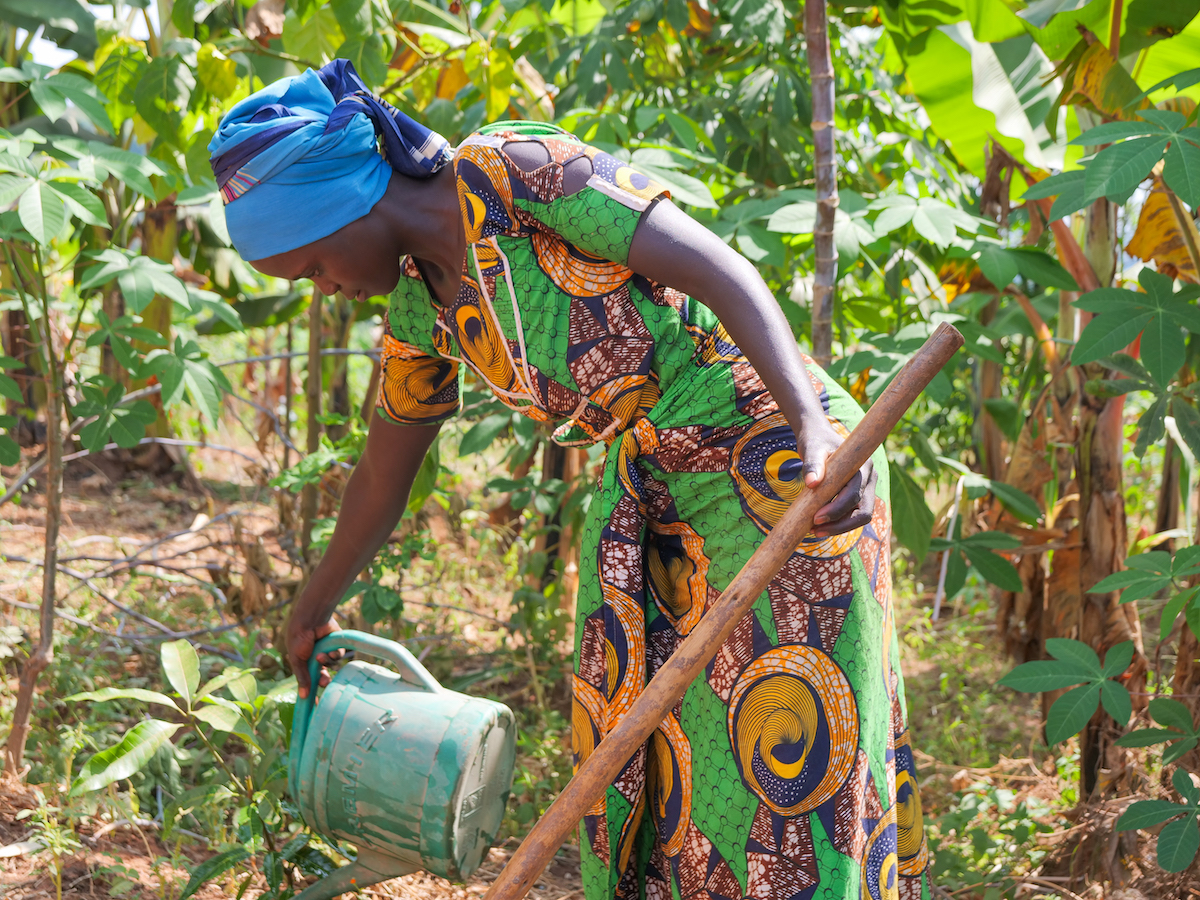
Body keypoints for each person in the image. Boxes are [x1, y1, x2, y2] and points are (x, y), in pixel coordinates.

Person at [210, 59, 928, 900]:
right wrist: (312, 607)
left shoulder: (517, 171)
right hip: (658, 501)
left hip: (778, 464)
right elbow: (381, 476)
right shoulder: (420, 314)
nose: (325, 289)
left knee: (785, 756)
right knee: (665, 762)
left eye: (313, 269)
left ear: (340, 202)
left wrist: (815, 430)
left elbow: (719, 269)